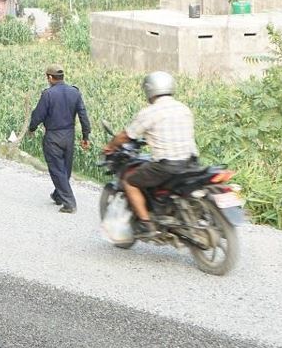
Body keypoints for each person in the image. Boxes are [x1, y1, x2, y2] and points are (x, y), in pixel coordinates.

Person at [103, 71, 198, 238]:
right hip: (191, 162)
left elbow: (127, 135)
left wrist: (111, 146)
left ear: (149, 89)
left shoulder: (151, 112)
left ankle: (146, 223)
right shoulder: (183, 108)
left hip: (168, 165)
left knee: (130, 181)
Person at [27, 64, 91, 213]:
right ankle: (58, 195)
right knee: (65, 168)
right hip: (69, 135)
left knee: (56, 169)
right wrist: (85, 136)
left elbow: (38, 115)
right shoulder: (75, 93)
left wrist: (32, 128)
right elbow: (83, 115)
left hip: (53, 136)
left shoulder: (48, 94)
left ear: (50, 77)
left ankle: (69, 203)